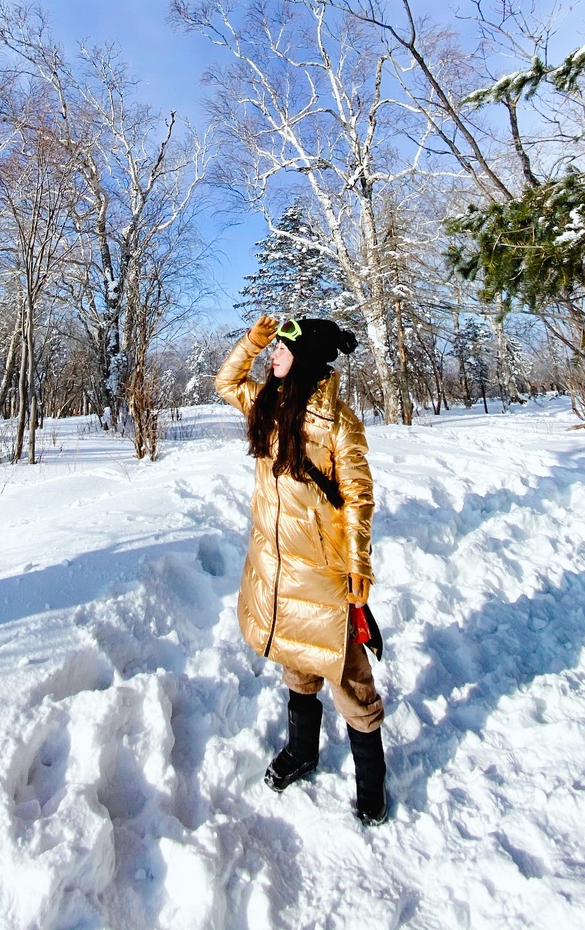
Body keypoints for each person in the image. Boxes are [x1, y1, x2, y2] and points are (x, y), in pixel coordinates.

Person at [215, 313, 387, 826]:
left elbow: (358, 496)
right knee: (297, 663)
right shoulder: (266, 404)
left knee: (350, 678)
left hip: (321, 573)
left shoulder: (339, 422)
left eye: (283, 351)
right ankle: (302, 751)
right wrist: (251, 342)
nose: (274, 357)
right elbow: (226, 382)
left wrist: (358, 565)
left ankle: (371, 785)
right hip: (275, 569)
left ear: (307, 358)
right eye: (274, 351)